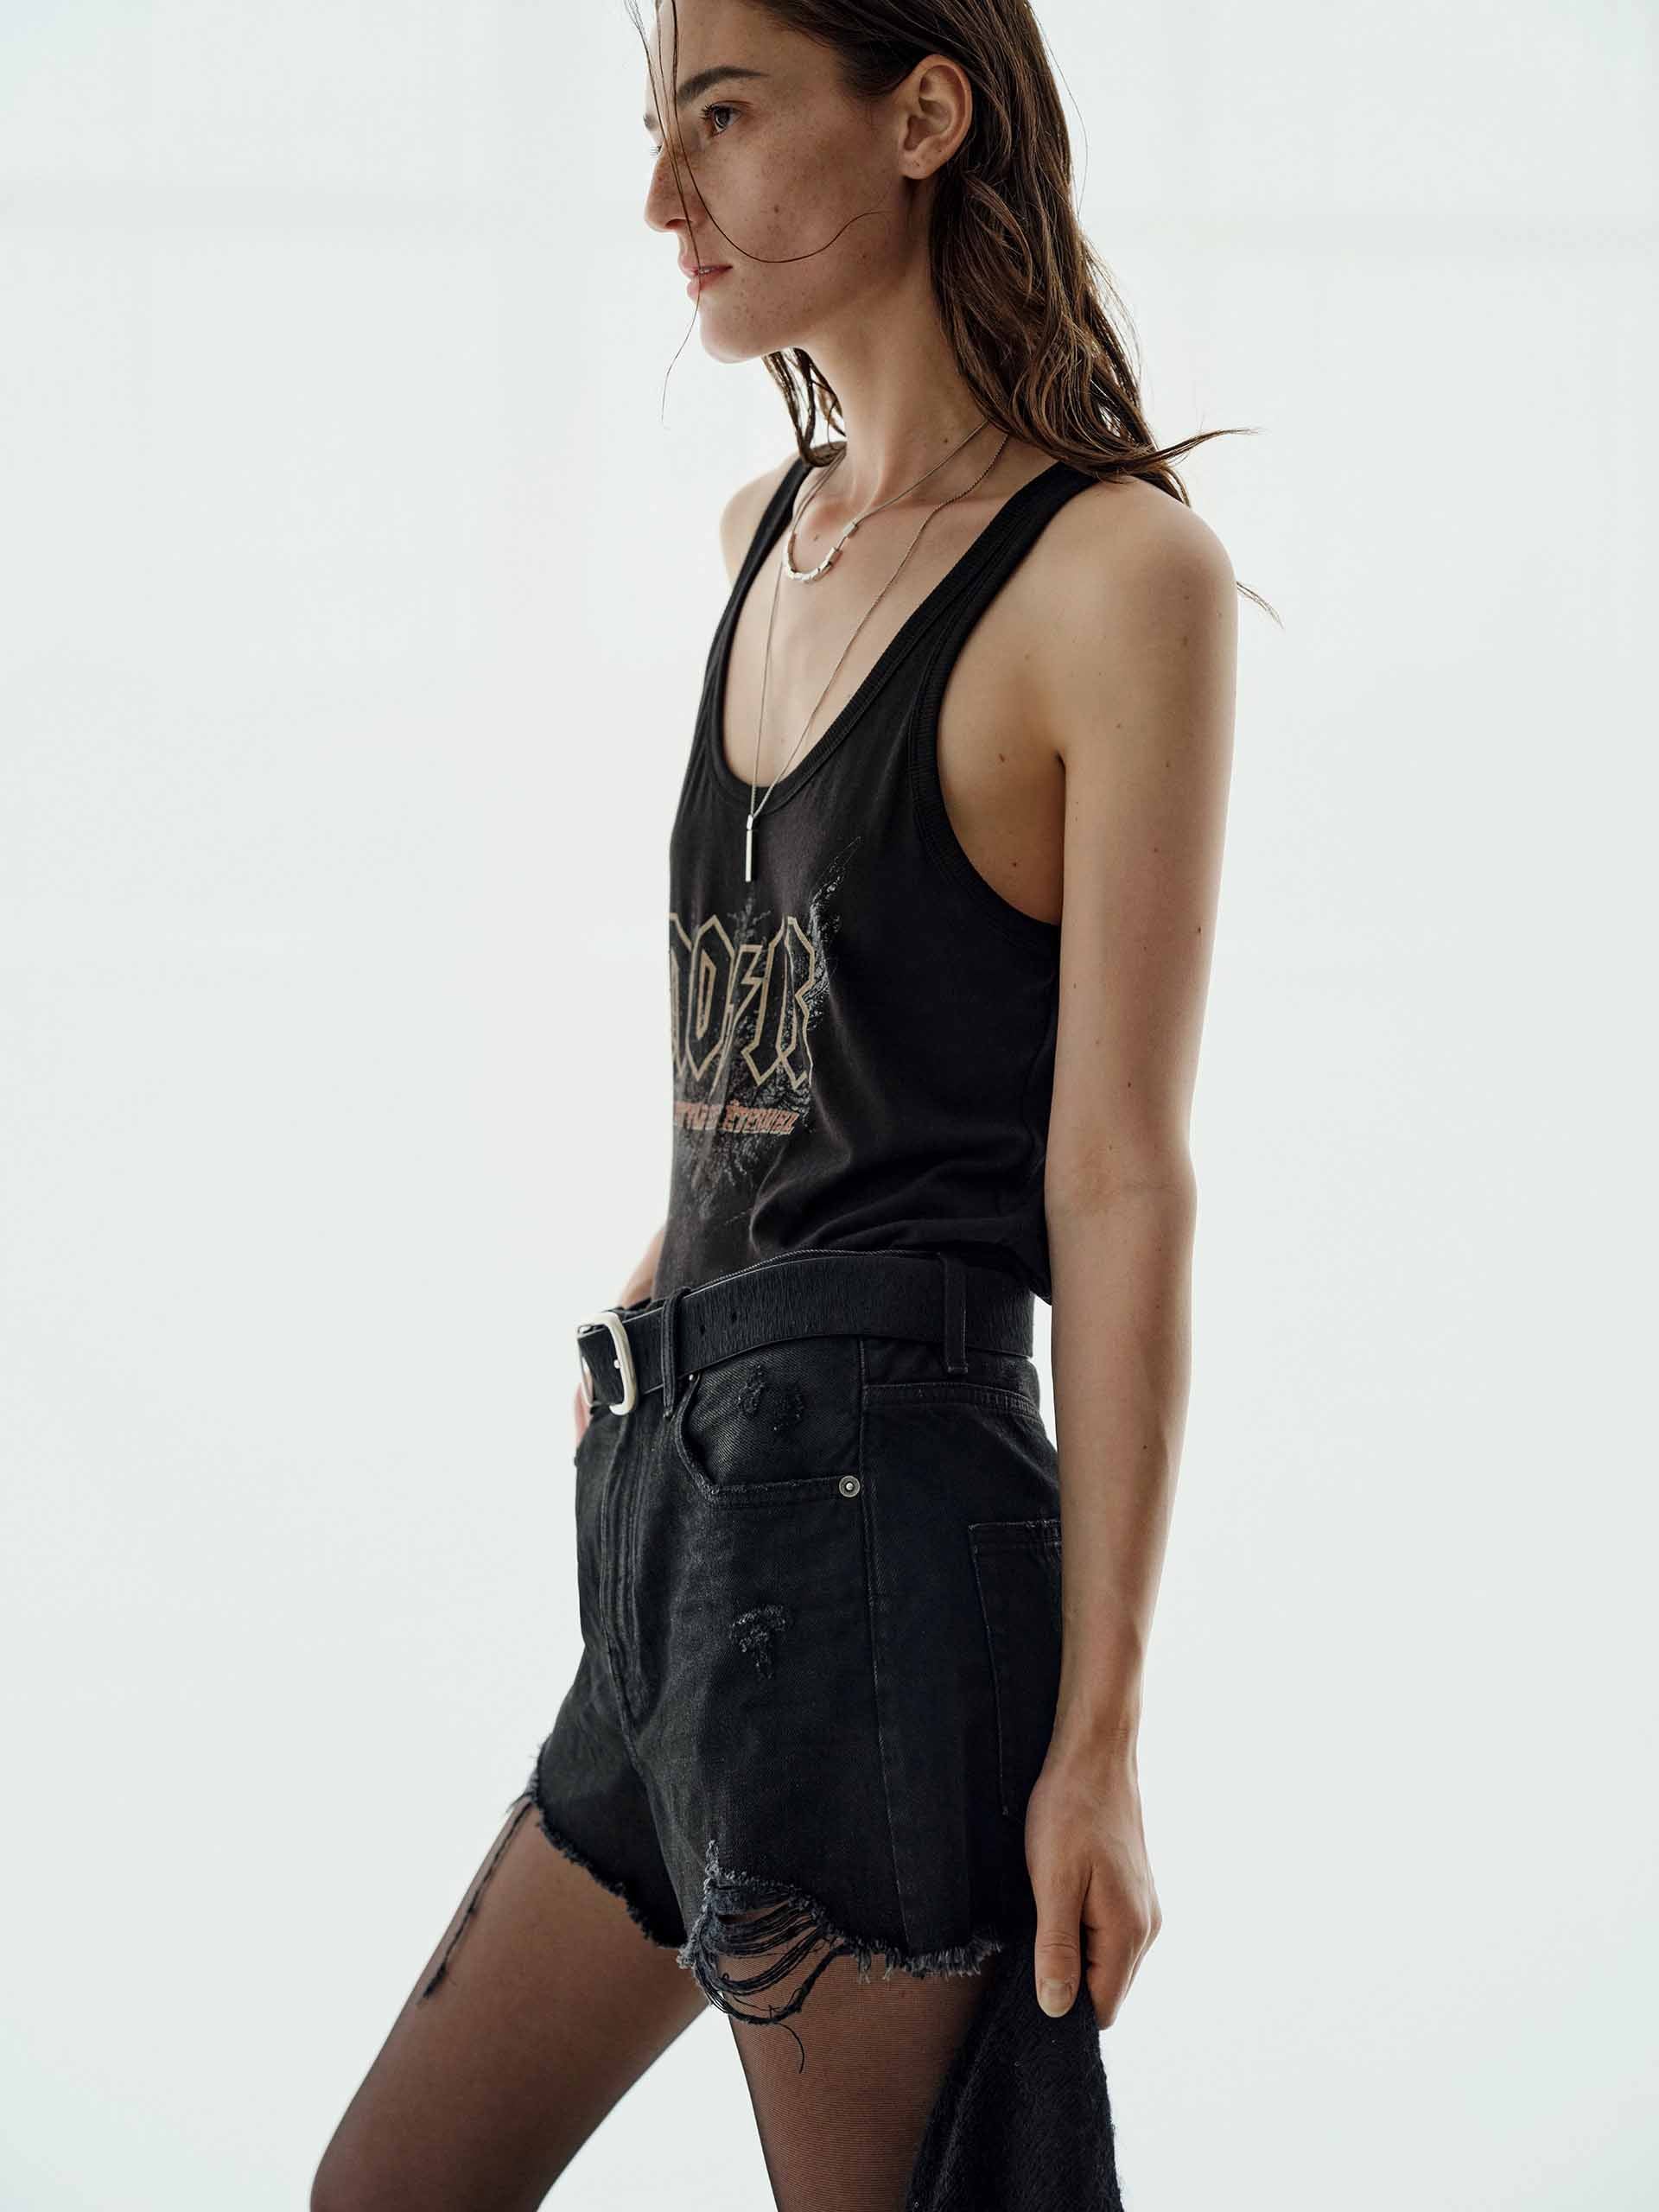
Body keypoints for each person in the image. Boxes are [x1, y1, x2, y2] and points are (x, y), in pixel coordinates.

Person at [313, 3, 1256, 2205]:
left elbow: (1119, 1172)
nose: (668, 196)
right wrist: (662, 1289)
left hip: (882, 1549)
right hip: (682, 1522)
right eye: (664, 131)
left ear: (923, 113)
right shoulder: (768, 531)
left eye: (724, 118)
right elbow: (812, 1049)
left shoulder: (1116, 578)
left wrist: (1101, 1739)